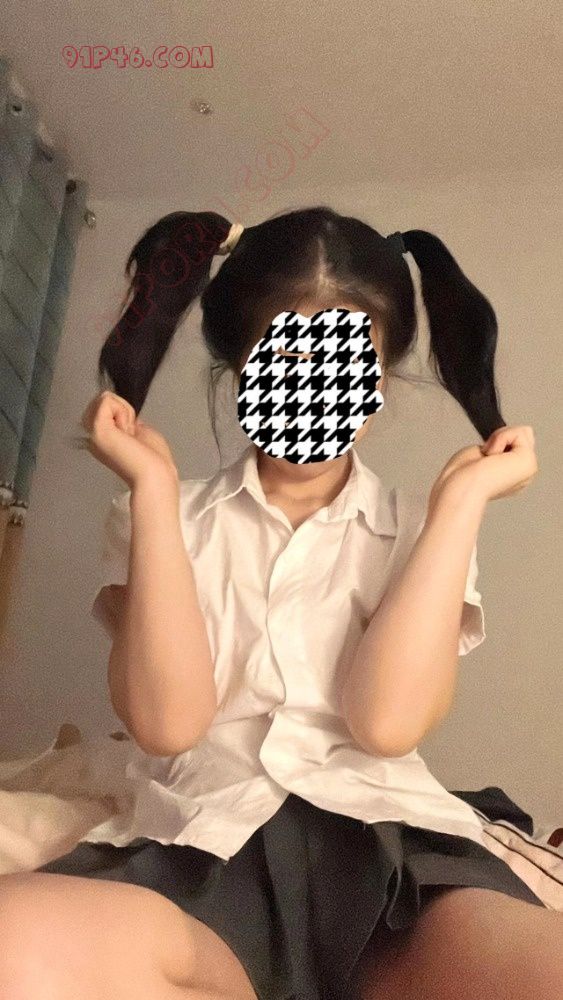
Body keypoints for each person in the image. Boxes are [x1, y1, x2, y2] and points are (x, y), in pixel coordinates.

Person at [0, 207, 561, 1000]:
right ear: (240, 370)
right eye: (287, 358)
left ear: (377, 384)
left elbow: (385, 724)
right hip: (199, 845)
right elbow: (167, 723)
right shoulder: (158, 514)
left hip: (390, 859)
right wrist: (152, 488)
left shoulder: (421, 528)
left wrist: (462, 503)